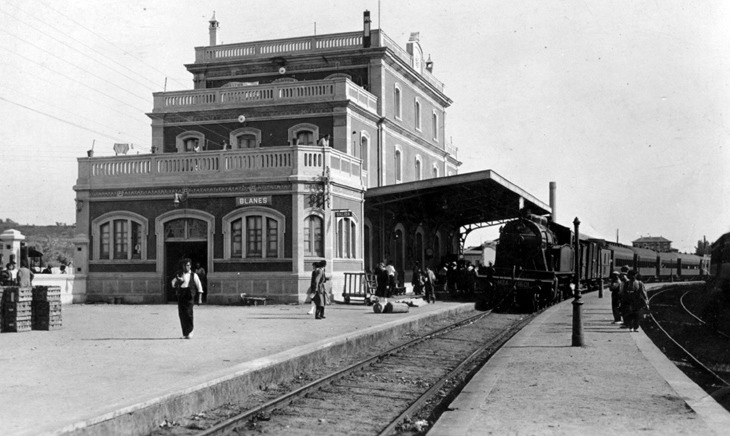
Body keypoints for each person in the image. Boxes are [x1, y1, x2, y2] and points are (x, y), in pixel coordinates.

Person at [171, 258, 203, 339]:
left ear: (190, 266)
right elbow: (173, 283)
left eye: (188, 265)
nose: (186, 267)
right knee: (182, 314)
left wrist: (200, 299)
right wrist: (178, 281)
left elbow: (199, 287)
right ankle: (185, 333)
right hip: (181, 295)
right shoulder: (179, 274)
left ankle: (190, 331)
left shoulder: (193, 275)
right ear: (182, 266)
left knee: (189, 313)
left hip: (189, 296)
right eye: (185, 265)